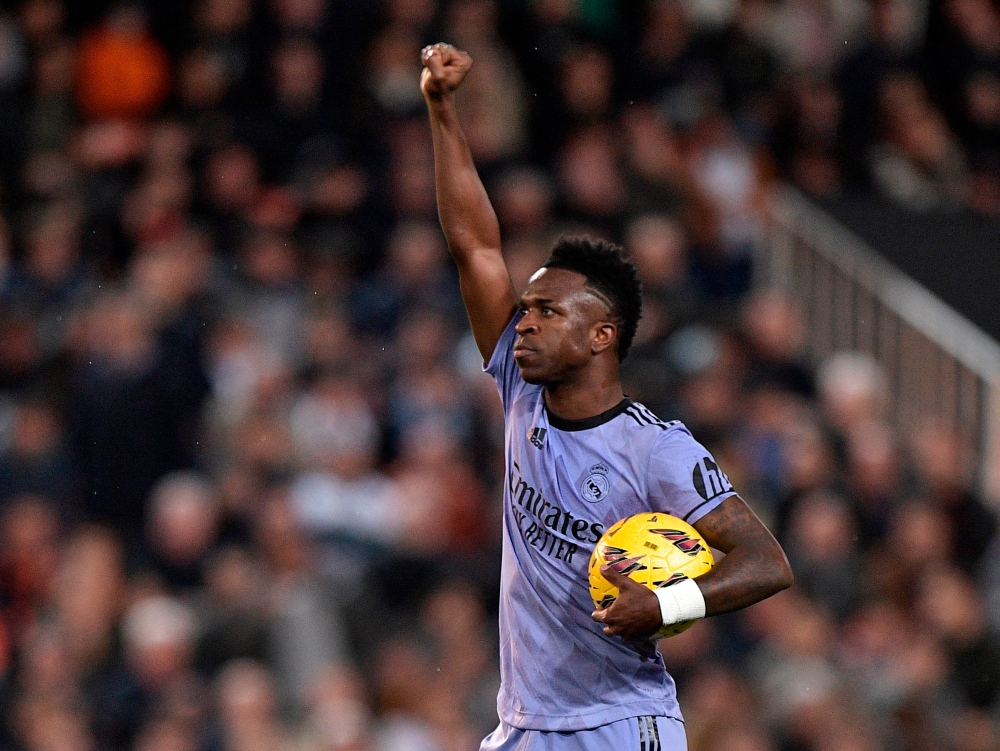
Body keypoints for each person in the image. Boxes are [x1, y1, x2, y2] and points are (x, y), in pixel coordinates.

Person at [420, 43, 794, 751]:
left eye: (546, 311)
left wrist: (667, 602)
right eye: (523, 308)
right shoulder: (518, 388)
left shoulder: (657, 450)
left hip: (622, 725)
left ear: (601, 336)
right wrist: (441, 109)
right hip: (525, 725)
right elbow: (473, 242)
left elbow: (766, 561)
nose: (522, 322)